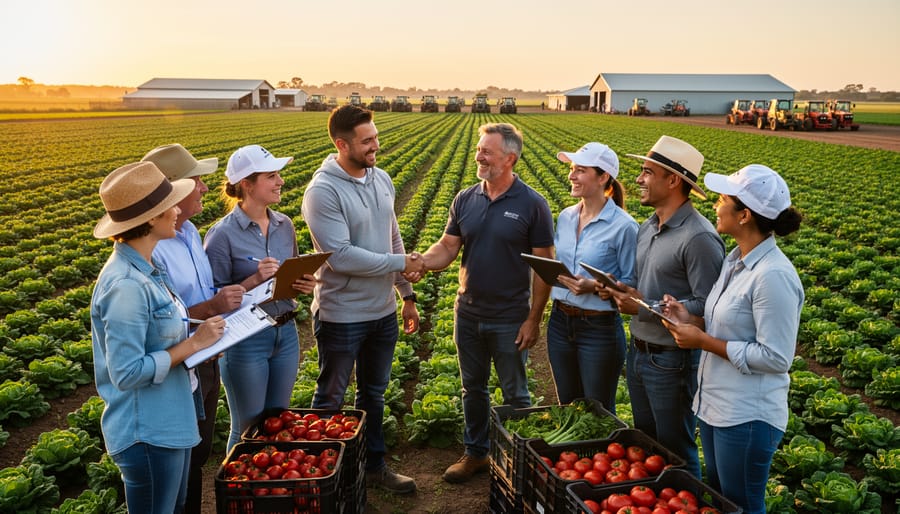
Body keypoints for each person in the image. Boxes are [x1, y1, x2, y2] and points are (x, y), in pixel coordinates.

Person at [661, 164, 803, 513]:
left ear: (744, 215)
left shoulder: (773, 276)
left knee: (742, 505)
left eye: (723, 199)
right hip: (717, 406)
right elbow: (725, 323)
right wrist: (688, 317)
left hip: (747, 415)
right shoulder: (735, 259)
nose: (715, 204)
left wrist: (702, 341)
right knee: (722, 501)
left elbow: (776, 357)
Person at [418, 122, 555, 484]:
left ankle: (519, 459)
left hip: (511, 316)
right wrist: (420, 262)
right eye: (479, 149)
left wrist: (533, 318)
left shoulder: (532, 204)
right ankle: (476, 453)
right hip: (468, 313)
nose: (479, 155)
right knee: (472, 388)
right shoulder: (466, 198)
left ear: (509, 158)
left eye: (487, 151)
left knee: (516, 393)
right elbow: (448, 247)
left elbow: (545, 267)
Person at [90, 161, 226, 514]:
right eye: (171, 204)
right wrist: (193, 344)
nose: (179, 209)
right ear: (151, 218)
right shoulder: (126, 286)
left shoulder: (149, 269)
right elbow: (126, 373)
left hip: (171, 421)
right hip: (146, 431)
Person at [300, 105, 421, 495]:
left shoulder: (380, 177)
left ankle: (373, 467)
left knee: (373, 393)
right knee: (331, 396)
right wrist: (401, 263)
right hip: (342, 315)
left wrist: (406, 293)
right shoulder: (322, 190)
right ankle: (324, 478)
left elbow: (392, 237)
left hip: (383, 312)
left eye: (375, 137)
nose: (376, 146)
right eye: (367, 141)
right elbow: (341, 256)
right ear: (342, 144)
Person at [603, 135, 725, 479]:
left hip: (672, 360)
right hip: (640, 351)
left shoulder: (698, 238)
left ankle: (687, 498)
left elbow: (708, 306)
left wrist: (640, 306)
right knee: (648, 446)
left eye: (646, 172)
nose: (638, 179)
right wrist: (625, 291)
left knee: (676, 449)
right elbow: (649, 289)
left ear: (673, 180)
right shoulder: (647, 227)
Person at [140, 143, 246, 513]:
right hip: (179, 363)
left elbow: (200, 292)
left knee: (198, 452)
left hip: (207, 356)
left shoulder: (188, 233)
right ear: (172, 191)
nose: (204, 188)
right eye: (196, 181)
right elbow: (167, 317)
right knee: (177, 460)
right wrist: (214, 306)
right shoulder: (154, 249)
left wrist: (232, 295)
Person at [204, 144, 315, 452]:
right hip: (246, 338)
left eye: (278, 175)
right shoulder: (221, 235)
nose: (280, 181)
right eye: (272, 176)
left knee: (278, 420)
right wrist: (254, 279)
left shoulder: (284, 225)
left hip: (286, 332)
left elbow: (286, 277)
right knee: (247, 425)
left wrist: (302, 283)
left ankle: (269, 492)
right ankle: (240, 491)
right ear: (247, 185)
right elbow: (211, 299)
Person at [547, 142, 638, 411]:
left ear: (603, 177)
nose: (571, 176)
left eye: (580, 170)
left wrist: (594, 286)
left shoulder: (625, 227)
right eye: (572, 169)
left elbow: (632, 288)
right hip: (559, 322)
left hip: (598, 330)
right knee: (568, 407)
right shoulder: (565, 217)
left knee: (598, 410)